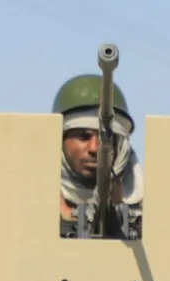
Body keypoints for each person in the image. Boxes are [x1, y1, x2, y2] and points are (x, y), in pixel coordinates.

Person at [53, 74, 144, 239]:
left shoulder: (151, 217)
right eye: (83, 137)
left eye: (107, 139)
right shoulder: (35, 211)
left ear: (122, 146)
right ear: (60, 141)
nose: (95, 148)